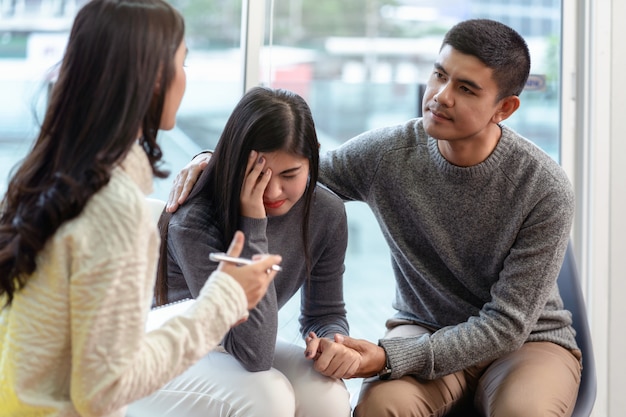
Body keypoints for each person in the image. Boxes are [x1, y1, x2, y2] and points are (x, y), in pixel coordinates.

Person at [167, 19, 582, 417]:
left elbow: (506, 325)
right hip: (424, 327)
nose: (441, 95)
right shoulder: (389, 154)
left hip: (526, 343)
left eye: (466, 88)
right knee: (379, 407)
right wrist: (213, 163)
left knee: (524, 411)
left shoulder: (544, 188)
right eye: (439, 75)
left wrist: (386, 357)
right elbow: (293, 172)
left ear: (504, 108)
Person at [0, 1, 280, 416]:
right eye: (183, 62)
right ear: (153, 78)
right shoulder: (116, 206)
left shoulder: (44, 175)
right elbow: (104, 388)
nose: (186, 79)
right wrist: (223, 302)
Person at [129, 86, 353, 417]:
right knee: (268, 396)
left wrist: (333, 341)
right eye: (257, 175)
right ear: (235, 162)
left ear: (313, 158)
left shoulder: (326, 212)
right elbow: (254, 351)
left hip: (235, 346)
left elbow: (325, 313)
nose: (273, 190)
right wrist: (253, 225)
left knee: (327, 394)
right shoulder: (195, 220)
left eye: (289, 174)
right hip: (163, 349)